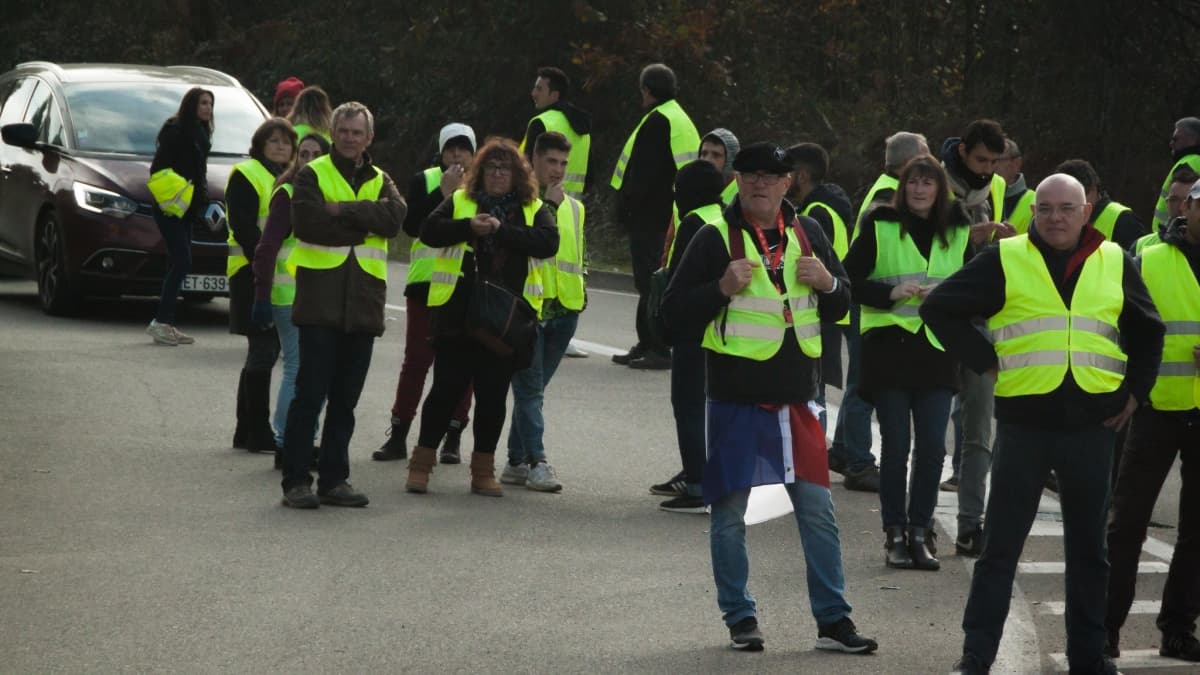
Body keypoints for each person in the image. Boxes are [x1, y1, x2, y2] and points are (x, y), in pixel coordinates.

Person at [920, 173, 1164, 675]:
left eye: (1066, 208)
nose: (1055, 217)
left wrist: (1137, 392)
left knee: (1090, 553)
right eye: (1046, 208)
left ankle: (1088, 657)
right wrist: (985, 361)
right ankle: (977, 656)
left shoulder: (1115, 260)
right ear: (1035, 212)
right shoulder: (1006, 258)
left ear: (1087, 209)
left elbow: (1149, 330)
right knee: (1000, 549)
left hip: (1092, 428)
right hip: (1024, 428)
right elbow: (938, 308)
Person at [662, 143, 876, 655]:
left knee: (818, 512)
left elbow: (844, 301)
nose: (760, 183)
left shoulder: (811, 233)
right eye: (751, 175)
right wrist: (718, 288)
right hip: (737, 399)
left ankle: (833, 621)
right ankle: (740, 618)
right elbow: (668, 317)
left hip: (799, 399)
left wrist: (828, 283)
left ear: (787, 183)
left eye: (771, 176)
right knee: (729, 514)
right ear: (737, 181)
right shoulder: (715, 237)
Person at [406, 138, 558, 497]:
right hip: (458, 317)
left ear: (519, 174)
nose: (499, 174)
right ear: (481, 172)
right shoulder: (460, 200)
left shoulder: (534, 208)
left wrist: (502, 231)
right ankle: (421, 465)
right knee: (444, 392)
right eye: (492, 168)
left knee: (492, 398)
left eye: (506, 168)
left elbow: (548, 242)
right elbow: (427, 230)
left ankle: (483, 472)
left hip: (505, 322)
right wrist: (468, 228)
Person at [843, 154, 971, 570]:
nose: (918, 189)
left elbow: (974, 287)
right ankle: (894, 533)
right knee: (896, 448)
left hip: (936, 352)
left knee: (933, 448)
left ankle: (921, 531)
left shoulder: (958, 230)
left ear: (939, 189)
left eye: (927, 183)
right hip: (890, 352)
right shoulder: (881, 226)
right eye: (913, 182)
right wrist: (889, 295)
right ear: (903, 188)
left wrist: (947, 298)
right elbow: (848, 281)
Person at [278, 102, 406, 509]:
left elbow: (394, 219)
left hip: (363, 306)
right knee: (310, 395)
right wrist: (364, 223)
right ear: (333, 133)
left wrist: (344, 211)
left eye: (357, 132)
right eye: (344, 131)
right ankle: (297, 481)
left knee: (345, 401)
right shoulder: (312, 174)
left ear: (369, 138)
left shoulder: (382, 178)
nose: (350, 138)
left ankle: (334, 479)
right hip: (320, 302)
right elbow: (309, 223)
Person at [1104, 180, 1200, 664]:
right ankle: (1105, 630)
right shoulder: (1152, 259)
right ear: (1189, 207)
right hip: (1156, 408)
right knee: (1127, 525)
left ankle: (1178, 630)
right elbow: (1116, 322)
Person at [829, 131, 927, 492]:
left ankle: (842, 451)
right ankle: (858, 461)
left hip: (873, 301)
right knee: (863, 386)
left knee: (860, 380)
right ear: (905, 164)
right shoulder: (889, 196)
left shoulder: (883, 187)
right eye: (923, 159)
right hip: (878, 305)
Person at [375, 123, 477, 464]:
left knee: (463, 367)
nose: (457, 155)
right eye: (451, 148)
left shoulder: (483, 186)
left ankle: (453, 437)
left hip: (464, 288)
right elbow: (413, 226)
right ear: (441, 152)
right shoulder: (424, 180)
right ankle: (399, 434)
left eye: (464, 149)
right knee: (416, 362)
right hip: (425, 284)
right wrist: (444, 193)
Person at [938, 119, 1012, 555]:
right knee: (932, 426)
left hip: (982, 315)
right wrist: (973, 234)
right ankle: (913, 523)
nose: (987, 170)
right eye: (981, 160)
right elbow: (926, 239)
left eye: (994, 163)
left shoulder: (994, 187)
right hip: (936, 312)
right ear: (963, 150)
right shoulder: (932, 180)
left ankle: (972, 523)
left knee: (979, 423)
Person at [501, 132, 586, 493]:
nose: (558, 170)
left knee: (534, 392)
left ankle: (515, 461)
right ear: (533, 159)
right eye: (551, 161)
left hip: (565, 309)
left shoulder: (576, 207)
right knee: (530, 391)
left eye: (564, 163)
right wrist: (547, 207)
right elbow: (529, 244)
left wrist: (582, 295)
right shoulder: (519, 203)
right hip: (529, 310)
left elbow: (578, 256)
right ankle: (537, 461)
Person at [610, 63, 700, 370]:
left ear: (647, 91)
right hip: (672, 214)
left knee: (650, 282)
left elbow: (643, 176)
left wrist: (626, 210)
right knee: (652, 281)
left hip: (651, 218)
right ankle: (648, 341)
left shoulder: (658, 120)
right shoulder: (680, 118)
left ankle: (658, 347)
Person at [252, 132, 331, 466]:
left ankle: (301, 439)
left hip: (314, 296)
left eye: (315, 154)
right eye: (304, 153)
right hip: (287, 295)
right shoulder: (288, 193)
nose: (308, 159)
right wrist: (261, 297)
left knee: (314, 372)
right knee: (297, 368)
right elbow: (267, 248)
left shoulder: (322, 193)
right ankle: (285, 442)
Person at [652, 158, 726, 512]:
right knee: (716, 409)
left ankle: (697, 484)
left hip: (694, 330)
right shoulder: (726, 218)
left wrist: (666, 325)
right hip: (727, 330)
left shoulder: (694, 222)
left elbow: (677, 282)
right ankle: (714, 478)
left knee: (689, 407)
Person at [226, 118, 296, 454]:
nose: (281, 146)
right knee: (264, 352)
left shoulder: (286, 179)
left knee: (261, 353)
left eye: (286, 142)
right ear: (260, 144)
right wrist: (262, 264)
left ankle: (245, 430)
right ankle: (258, 433)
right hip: (249, 272)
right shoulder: (248, 174)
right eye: (274, 141)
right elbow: (243, 227)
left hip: (273, 277)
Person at [789, 142, 853, 432]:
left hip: (818, 313)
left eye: (786, 173)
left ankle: (814, 465)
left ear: (801, 176)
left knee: (812, 399)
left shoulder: (814, 213)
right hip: (831, 309)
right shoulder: (830, 205)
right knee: (816, 395)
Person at [145, 87, 212, 346]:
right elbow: (158, 169)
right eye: (203, 103)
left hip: (188, 208)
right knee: (183, 262)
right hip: (170, 206)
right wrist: (180, 188)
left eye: (210, 104)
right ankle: (160, 322)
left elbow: (201, 172)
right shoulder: (175, 132)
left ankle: (167, 324)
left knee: (177, 262)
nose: (208, 108)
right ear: (191, 104)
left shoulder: (202, 132)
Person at [519, 67, 592, 199]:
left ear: (554, 95)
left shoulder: (541, 122)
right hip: (572, 210)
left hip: (541, 205)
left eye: (539, 89)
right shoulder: (584, 131)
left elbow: (524, 169)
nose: (533, 93)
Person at [1055, 158, 1144, 251]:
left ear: (1094, 189)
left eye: (1078, 195)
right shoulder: (1057, 220)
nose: (1072, 203)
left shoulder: (1124, 220)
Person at [1151, 117, 1200, 231]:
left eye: (1176, 139)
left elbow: (1181, 205)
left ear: (1193, 140)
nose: (1171, 143)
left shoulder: (1188, 163)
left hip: (1172, 235)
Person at [1135, 169, 1198, 254]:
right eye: (1174, 200)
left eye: (1187, 200)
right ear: (1167, 203)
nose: (1181, 207)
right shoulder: (1142, 244)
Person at [997, 139, 1034, 234]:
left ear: (1017, 163)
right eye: (984, 160)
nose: (989, 166)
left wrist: (1012, 242)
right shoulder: (976, 198)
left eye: (997, 160)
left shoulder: (1037, 201)